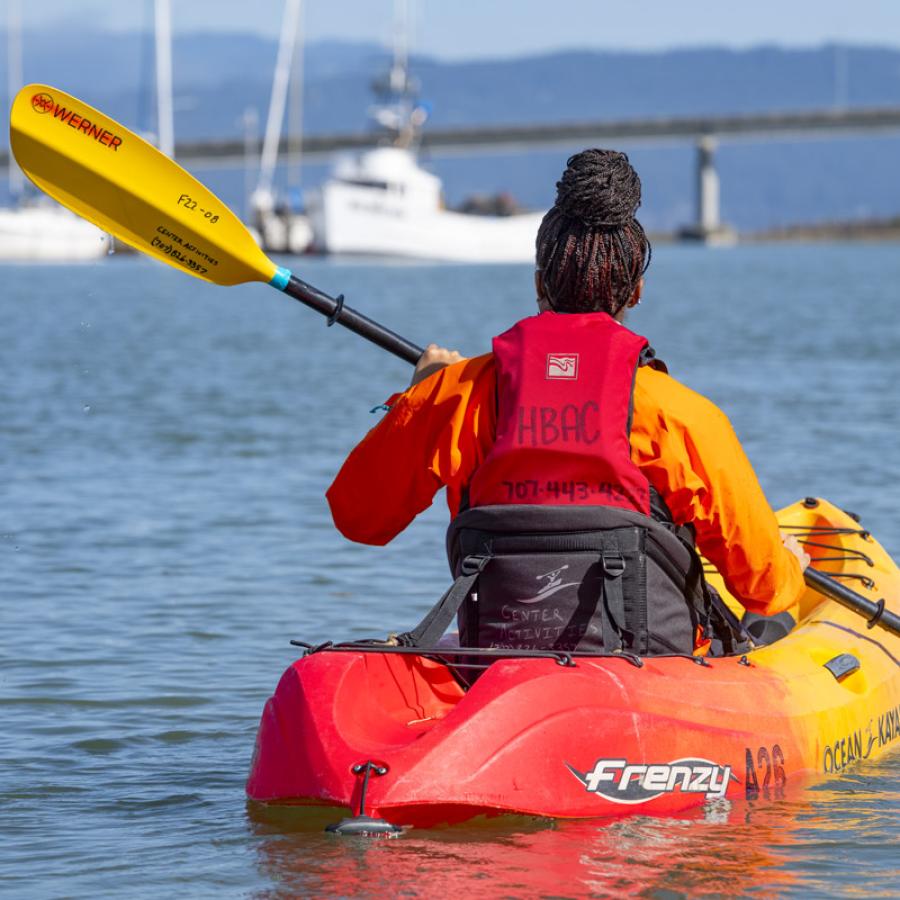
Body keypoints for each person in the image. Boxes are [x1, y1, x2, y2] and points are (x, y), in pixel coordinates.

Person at [327, 149, 810, 657]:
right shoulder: (679, 416)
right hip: (648, 676)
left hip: (500, 664)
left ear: (539, 282)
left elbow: (358, 518)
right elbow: (765, 589)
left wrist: (418, 396)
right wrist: (790, 566)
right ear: (637, 291)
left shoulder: (459, 394)